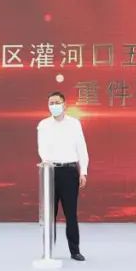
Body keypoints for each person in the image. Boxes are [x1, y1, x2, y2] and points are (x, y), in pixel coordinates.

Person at [37, 91, 89, 261]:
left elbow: (81, 148)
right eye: (51, 103)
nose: (54, 106)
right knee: (49, 215)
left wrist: (83, 171)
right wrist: (46, 162)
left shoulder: (74, 124)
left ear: (64, 104)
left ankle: (75, 250)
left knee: (70, 214)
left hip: (69, 171)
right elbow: (41, 148)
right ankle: (47, 250)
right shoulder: (43, 125)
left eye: (57, 102)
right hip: (50, 171)